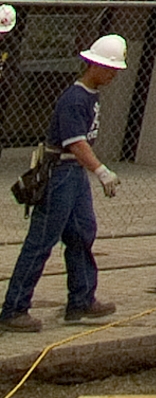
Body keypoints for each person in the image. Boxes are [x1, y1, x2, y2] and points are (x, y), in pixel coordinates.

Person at [1, 32, 127, 329]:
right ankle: (14, 309)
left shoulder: (87, 96)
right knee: (41, 240)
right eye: (110, 69)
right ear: (94, 66)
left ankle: (81, 300)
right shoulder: (74, 99)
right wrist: (101, 171)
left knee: (82, 232)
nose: (112, 75)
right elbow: (76, 143)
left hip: (72, 174)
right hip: (61, 173)